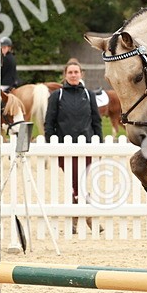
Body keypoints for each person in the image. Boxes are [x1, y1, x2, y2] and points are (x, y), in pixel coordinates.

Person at [45, 59, 103, 232]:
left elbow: (96, 121)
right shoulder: (57, 95)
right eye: (70, 72)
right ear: (65, 75)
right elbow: (49, 123)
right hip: (64, 147)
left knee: (78, 183)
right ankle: (89, 218)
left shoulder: (89, 94)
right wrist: (51, 144)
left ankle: (75, 220)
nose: (73, 75)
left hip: (87, 146)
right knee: (77, 182)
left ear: (81, 74)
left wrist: (100, 145)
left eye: (76, 72)